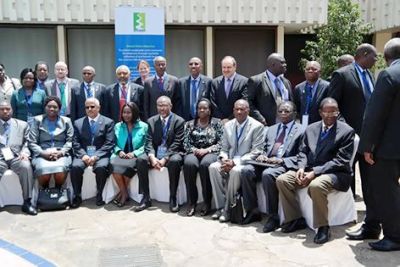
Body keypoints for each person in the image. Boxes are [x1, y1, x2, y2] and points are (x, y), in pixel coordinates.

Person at [276, 98, 355, 244]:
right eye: (326, 111)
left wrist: (315, 172)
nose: (330, 115)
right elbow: (303, 152)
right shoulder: (311, 128)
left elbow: (340, 161)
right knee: (283, 180)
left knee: (316, 185)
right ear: (320, 112)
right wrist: (300, 168)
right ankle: (295, 219)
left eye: (334, 112)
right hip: (308, 168)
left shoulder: (347, 131)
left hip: (335, 173)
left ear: (338, 112)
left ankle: (323, 227)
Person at [327, 44, 380, 238]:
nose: (376, 61)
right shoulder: (342, 75)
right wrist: (347, 131)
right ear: (364, 55)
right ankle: (344, 215)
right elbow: (332, 106)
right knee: (346, 176)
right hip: (349, 139)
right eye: (374, 57)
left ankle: (371, 221)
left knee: (369, 180)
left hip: (368, 139)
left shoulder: (370, 75)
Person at [357, 37, 400, 251]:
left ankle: (395, 236)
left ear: (385, 58)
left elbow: (374, 115)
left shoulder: (389, 75)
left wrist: (366, 146)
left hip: (390, 148)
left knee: (387, 191)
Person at [240, 101, 305, 230]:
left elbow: (303, 154)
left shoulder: (302, 130)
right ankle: (253, 211)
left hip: (284, 163)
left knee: (268, 174)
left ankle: (273, 216)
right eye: (280, 111)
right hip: (266, 162)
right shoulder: (272, 129)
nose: (283, 114)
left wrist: (281, 161)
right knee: (246, 170)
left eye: (286, 111)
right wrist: (262, 155)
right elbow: (263, 147)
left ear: (295, 114)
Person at [209, 99, 264, 222]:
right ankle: (220, 207)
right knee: (213, 167)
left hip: (245, 162)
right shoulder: (228, 125)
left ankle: (228, 210)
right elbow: (224, 148)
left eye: (242, 109)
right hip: (229, 160)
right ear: (233, 110)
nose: (239, 112)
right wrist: (224, 159)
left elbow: (257, 151)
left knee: (235, 171)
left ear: (248, 110)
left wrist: (235, 162)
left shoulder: (257, 126)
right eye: (236, 109)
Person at [135, 96, 185, 213]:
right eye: (159, 105)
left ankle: (173, 197)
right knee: (141, 160)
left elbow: (177, 143)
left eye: (164, 105)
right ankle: (146, 197)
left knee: (175, 161)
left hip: (172, 153)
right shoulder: (151, 121)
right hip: (155, 153)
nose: (161, 108)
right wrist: (152, 157)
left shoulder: (179, 121)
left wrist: (164, 159)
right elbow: (148, 142)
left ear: (170, 106)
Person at [70, 98, 115, 208]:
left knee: (101, 168)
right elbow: (75, 142)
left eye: (92, 106)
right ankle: (77, 196)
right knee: (75, 167)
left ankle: (99, 194)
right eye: (87, 107)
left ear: (99, 108)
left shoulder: (108, 122)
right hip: (83, 154)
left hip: (101, 154)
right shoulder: (78, 123)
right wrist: (83, 155)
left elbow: (109, 143)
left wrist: (96, 156)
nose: (89, 109)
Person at [183, 99, 223, 216]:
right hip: (194, 152)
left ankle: (207, 202)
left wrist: (207, 150)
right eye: (199, 108)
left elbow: (222, 142)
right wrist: (195, 150)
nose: (201, 110)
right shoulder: (189, 124)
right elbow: (186, 143)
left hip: (211, 151)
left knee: (205, 165)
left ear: (209, 110)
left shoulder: (217, 123)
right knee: (189, 164)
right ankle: (192, 202)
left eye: (204, 108)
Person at [28, 96, 74, 189]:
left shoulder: (66, 121)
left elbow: (70, 141)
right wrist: (43, 153)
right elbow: (32, 142)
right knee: (43, 170)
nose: (52, 109)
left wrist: (61, 153)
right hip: (42, 153)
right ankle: (45, 191)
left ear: (59, 109)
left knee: (60, 170)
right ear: (45, 107)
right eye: (49, 106)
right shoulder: (37, 120)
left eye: (55, 107)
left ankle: (58, 190)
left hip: (61, 152)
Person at [0, 101, 36, 215]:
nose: (5, 111)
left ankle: (27, 202)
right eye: (2, 109)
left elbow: (28, 142)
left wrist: (25, 152)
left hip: (17, 156)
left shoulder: (22, 124)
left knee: (26, 166)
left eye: (7, 109)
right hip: (0, 158)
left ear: (12, 110)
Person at [110, 102, 148, 207]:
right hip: (120, 155)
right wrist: (119, 151)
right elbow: (112, 143)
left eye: (129, 113)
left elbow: (147, 144)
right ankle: (124, 193)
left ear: (135, 113)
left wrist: (134, 153)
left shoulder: (144, 126)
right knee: (114, 167)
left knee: (128, 169)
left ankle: (122, 195)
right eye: (124, 112)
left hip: (135, 156)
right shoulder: (118, 126)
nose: (126, 115)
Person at [248, 53, 292, 126]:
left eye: (285, 63)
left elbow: (290, 102)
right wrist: (259, 118)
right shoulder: (257, 81)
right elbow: (248, 102)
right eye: (282, 63)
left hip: (285, 125)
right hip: (265, 125)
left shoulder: (286, 82)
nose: (285, 65)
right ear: (273, 64)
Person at [210, 56, 248, 123]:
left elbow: (244, 100)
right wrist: (221, 119)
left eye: (229, 67)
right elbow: (213, 102)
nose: (226, 70)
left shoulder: (244, 81)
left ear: (235, 67)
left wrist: (230, 119)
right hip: (219, 121)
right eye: (224, 67)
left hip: (237, 120)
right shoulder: (215, 82)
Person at [143, 56, 181, 120]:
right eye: (158, 65)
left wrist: (176, 119)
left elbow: (178, 103)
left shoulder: (174, 80)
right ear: (154, 66)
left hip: (171, 118)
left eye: (163, 64)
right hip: (153, 119)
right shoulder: (148, 82)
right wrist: (147, 120)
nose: (161, 67)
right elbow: (146, 104)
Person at [293, 61, 329, 126]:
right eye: (307, 69)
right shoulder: (298, 88)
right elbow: (296, 108)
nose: (310, 71)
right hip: (303, 124)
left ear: (320, 72)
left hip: (320, 125)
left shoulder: (327, 87)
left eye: (314, 69)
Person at [178, 57, 212, 121]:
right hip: (186, 119)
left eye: (196, 64)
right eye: (191, 64)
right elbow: (178, 103)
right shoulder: (181, 82)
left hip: (203, 119)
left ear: (201, 66)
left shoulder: (209, 82)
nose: (193, 66)